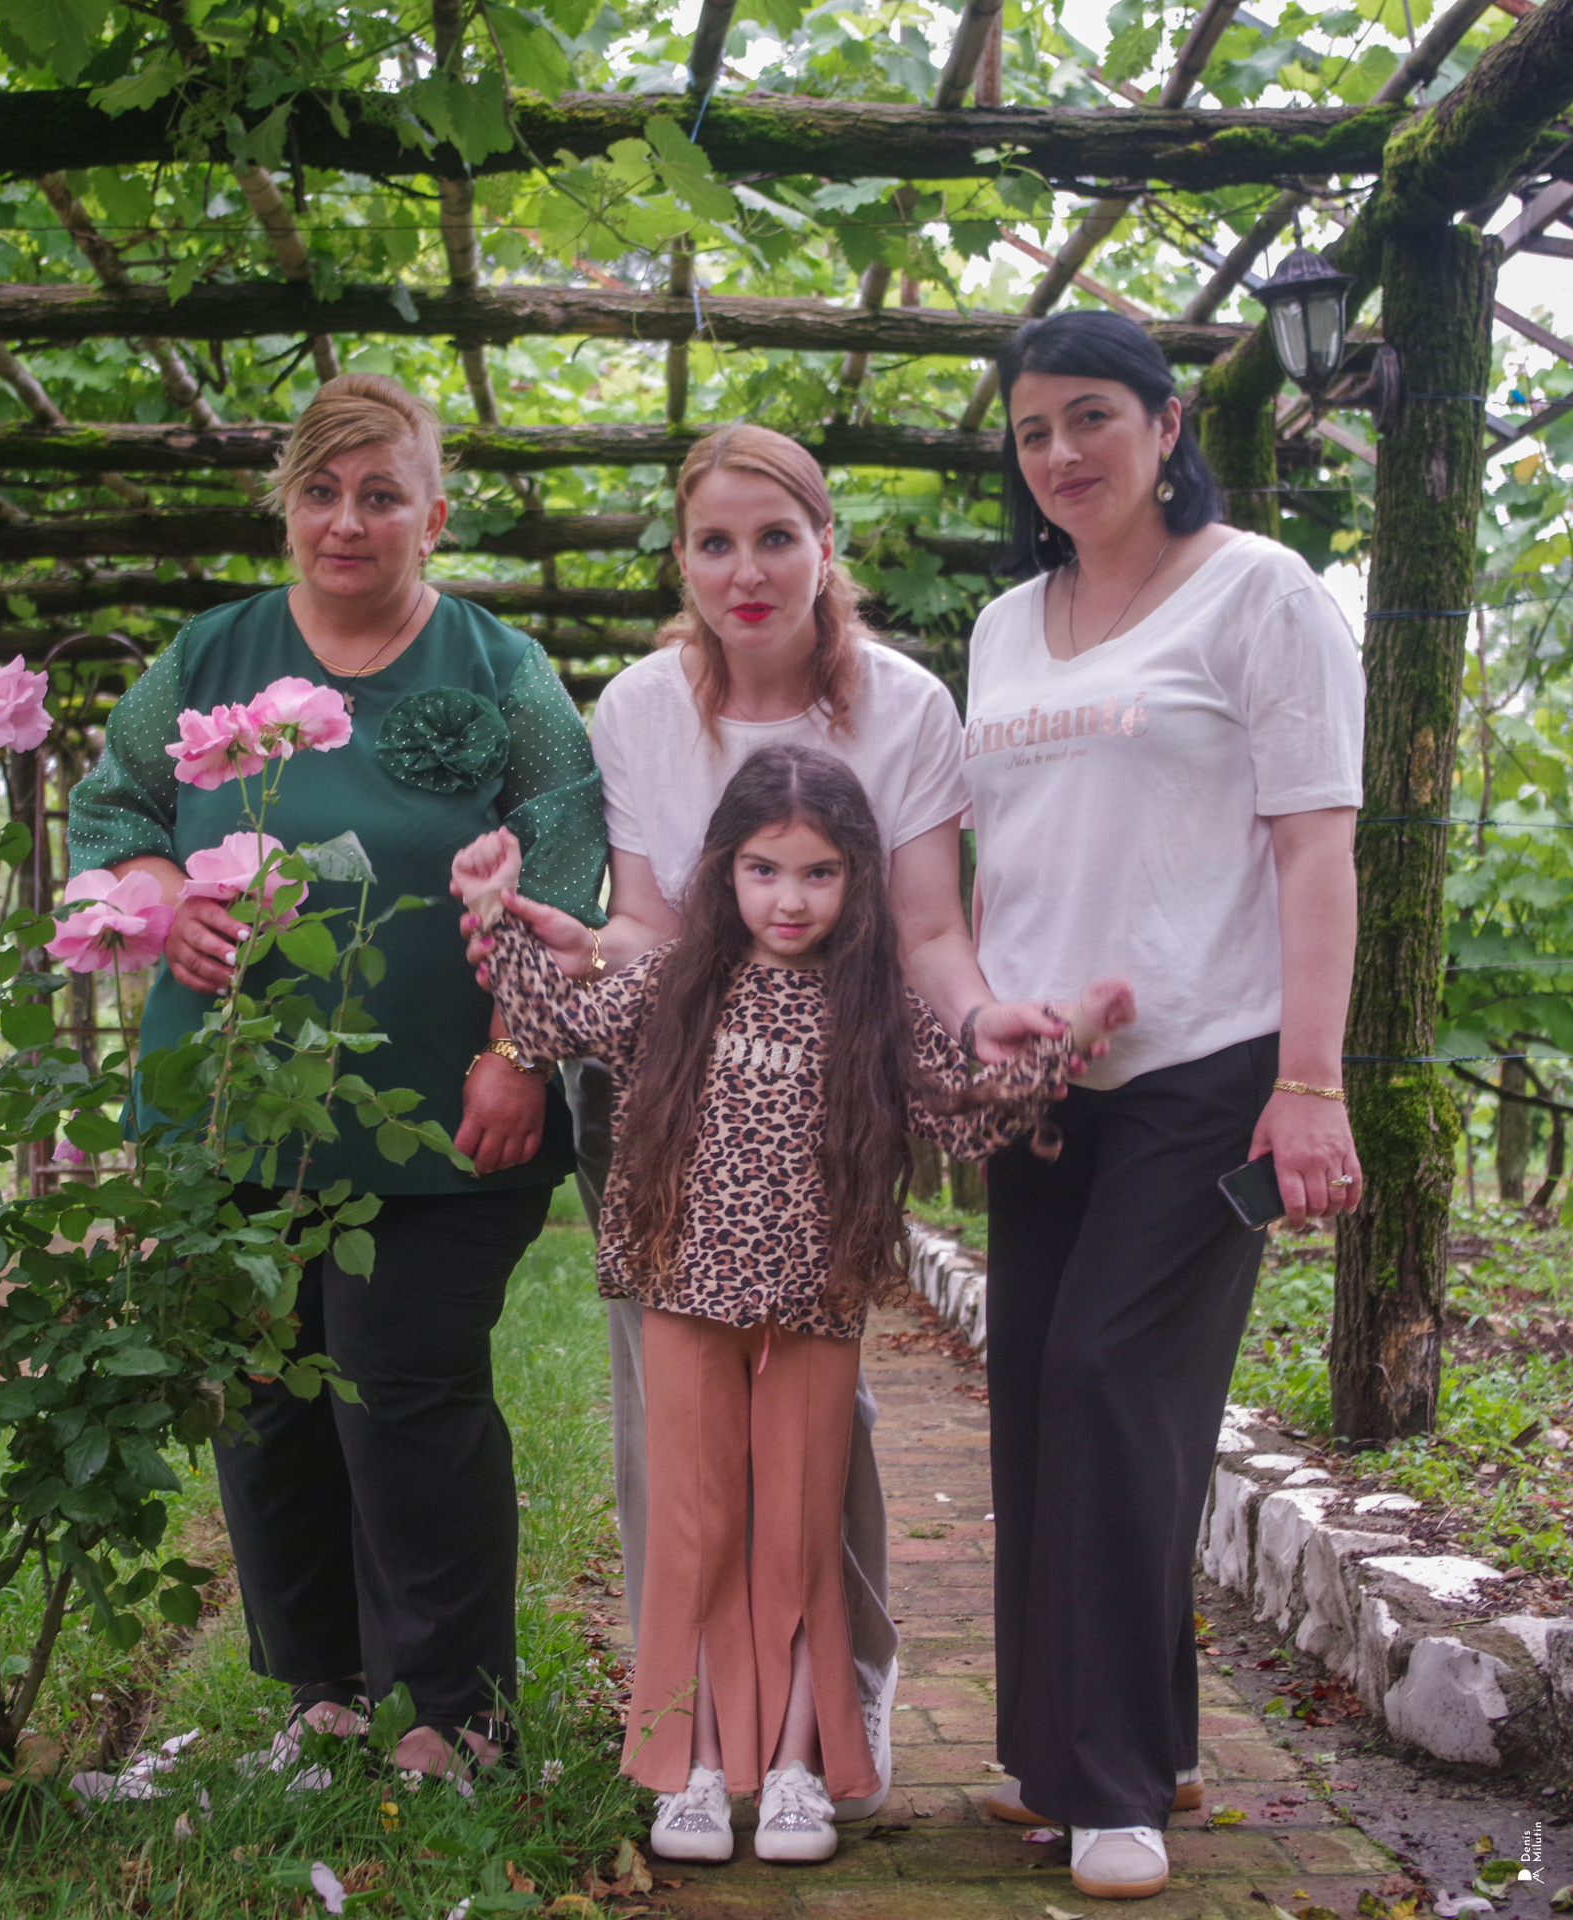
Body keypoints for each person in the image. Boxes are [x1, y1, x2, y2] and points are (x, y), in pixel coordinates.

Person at [461, 422, 1050, 1817]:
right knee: (674, 1441)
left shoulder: (904, 705)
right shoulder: (638, 708)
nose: (747, 571)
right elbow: (651, 933)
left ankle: (829, 1702)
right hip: (677, 1115)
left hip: (831, 1103)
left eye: (776, 538)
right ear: (682, 557)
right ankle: (691, 1734)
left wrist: (976, 1033)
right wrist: (573, 954)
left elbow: (925, 929)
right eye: (715, 543)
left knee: (817, 1430)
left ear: (824, 547)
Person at [64, 372, 608, 1783]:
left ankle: (454, 1708)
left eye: (380, 495)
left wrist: (519, 1054)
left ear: (435, 515)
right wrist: (163, 894)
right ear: (287, 509)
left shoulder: (504, 671)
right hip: (228, 1104)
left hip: (446, 1109)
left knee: (403, 1382)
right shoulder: (210, 656)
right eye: (320, 492)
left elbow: (565, 860)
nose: (347, 522)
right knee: (265, 1395)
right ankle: (322, 1689)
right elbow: (112, 809)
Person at [451, 745, 1108, 1863]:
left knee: (801, 1533)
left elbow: (961, 1113)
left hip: (816, 1299)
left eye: (818, 873)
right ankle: (696, 1769)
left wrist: (1064, 1047)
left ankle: (799, 1767)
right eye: (764, 870)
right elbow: (554, 1023)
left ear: (857, 879)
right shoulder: (674, 980)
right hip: (682, 1289)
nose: (789, 899)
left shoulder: (877, 1002)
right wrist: (489, 908)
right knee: (696, 1529)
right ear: (723, 870)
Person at [955, 310, 1366, 1900]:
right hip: (1043, 1080)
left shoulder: (1263, 593)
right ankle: (1086, 1752)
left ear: (1168, 423)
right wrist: (987, 1029)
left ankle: (1114, 1786)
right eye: (1033, 429)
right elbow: (1006, 858)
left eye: (1092, 417)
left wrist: (1311, 1082)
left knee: (1114, 1383)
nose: (1061, 453)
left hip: (1208, 1066)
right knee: (1036, 1399)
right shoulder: (1005, 626)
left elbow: (1315, 847)